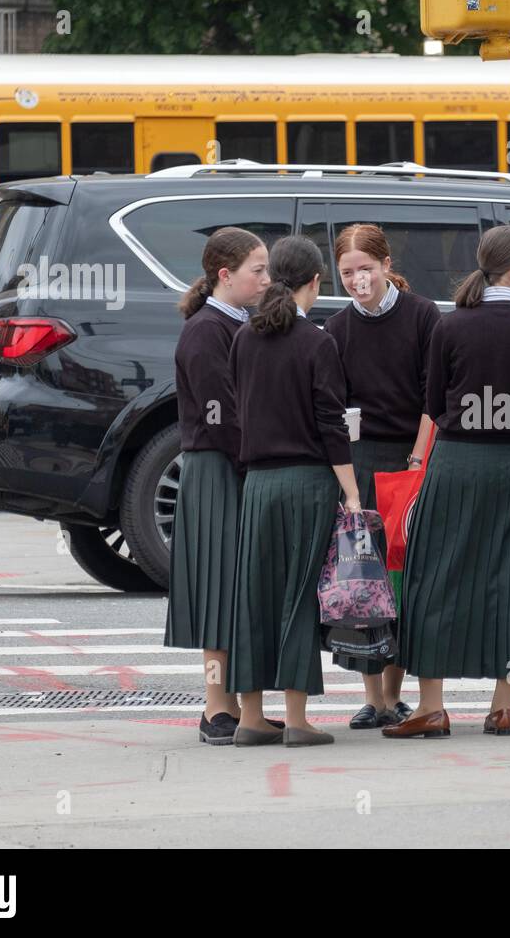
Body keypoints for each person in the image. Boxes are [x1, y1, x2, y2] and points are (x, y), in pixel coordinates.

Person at [385, 225, 510, 739]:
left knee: (435, 579)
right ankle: (502, 707)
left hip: (457, 463)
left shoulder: (450, 325)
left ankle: (432, 706)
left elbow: (434, 404)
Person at [227, 235, 361, 747]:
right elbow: (332, 424)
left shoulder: (244, 339)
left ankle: (251, 717)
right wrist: (350, 493)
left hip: (258, 484)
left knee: (255, 597)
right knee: (299, 596)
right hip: (306, 483)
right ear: (315, 282)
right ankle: (298, 719)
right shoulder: (318, 342)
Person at [165, 226, 279, 746]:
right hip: (218, 468)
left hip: (228, 465)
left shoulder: (232, 323)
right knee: (218, 590)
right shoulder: (208, 331)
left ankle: (231, 705)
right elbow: (220, 416)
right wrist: (257, 458)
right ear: (225, 275)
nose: (267, 278)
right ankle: (216, 708)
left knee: (233, 589)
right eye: (258, 269)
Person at [324, 223, 439, 730]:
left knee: (405, 580)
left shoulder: (422, 316)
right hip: (362, 461)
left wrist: (416, 461)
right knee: (364, 581)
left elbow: (434, 399)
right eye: (347, 272)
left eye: (365, 269)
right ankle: (374, 697)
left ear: (386, 264)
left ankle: (395, 695)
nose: (357, 280)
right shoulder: (338, 329)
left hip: (411, 460)